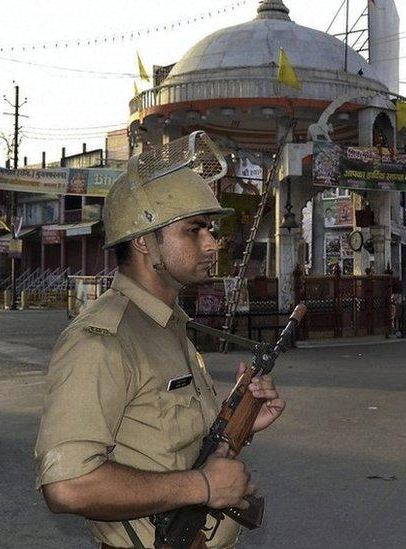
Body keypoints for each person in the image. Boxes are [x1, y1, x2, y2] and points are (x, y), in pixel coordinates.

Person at [34, 160, 285, 548]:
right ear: (143, 241)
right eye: (194, 230)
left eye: (210, 230)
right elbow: (67, 485)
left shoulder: (168, 324)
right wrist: (202, 486)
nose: (211, 243)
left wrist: (239, 423)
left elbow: (166, 443)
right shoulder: (101, 340)